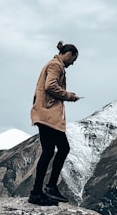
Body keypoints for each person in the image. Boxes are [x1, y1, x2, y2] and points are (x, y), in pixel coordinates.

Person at [29, 41, 81, 206]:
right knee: (52, 150)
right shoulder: (55, 66)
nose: (72, 63)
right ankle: (40, 191)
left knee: (57, 149)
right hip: (48, 115)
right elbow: (50, 86)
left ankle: (46, 188)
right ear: (68, 54)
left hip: (45, 114)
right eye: (73, 59)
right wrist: (68, 95)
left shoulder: (54, 64)